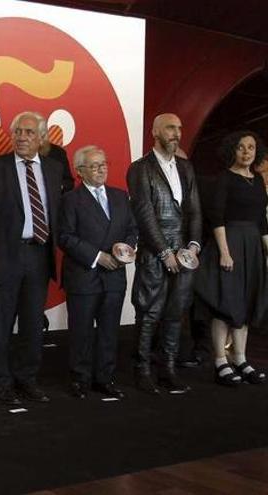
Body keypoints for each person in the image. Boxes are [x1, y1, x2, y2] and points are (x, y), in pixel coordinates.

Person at [0, 111, 64, 405]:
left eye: (29, 132)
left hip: (39, 256)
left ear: (41, 138)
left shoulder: (53, 170)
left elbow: (57, 214)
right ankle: (1, 383)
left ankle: (27, 379)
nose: (22, 137)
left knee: (31, 325)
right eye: (18, 132)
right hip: (3, 257)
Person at [127, 113, 202, 394]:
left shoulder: (186, 167)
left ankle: (168, 369)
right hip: (154, 252)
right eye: (171, 128)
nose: (177, 133)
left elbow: (195, 210)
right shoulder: (139, 168)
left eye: (179, 128)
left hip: (184, 252)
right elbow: (145, 214)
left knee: (175, 312)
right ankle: (142, 370)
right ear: (155, 132)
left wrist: (194, 246)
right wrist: (163, 252)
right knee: (149, 312)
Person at [57, 146, 137, 399]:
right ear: (80, 171)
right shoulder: (70, 200)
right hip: (84, 275)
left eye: (103, 164)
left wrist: (124, 251)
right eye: (94, 165)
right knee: (81, 332)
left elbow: (132, 229)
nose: (101, 169)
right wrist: (98, 257)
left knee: (109, 331)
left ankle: (105, 378)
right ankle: (80, 379)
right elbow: (65, 237)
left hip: (115, 276)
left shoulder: (120, 196)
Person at [193, 131, 268, 386]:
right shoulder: (224, 178)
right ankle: (220, 362)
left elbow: (262, 220)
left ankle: (240, 358)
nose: (247, 152)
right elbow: (217, 217)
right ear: (231, 151)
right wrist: (225, 252)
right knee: (225, 303)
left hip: (252, 246)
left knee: (245, 304)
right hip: (229, 243)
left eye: (251, 147)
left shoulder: (257, 180)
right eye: (241, 148)